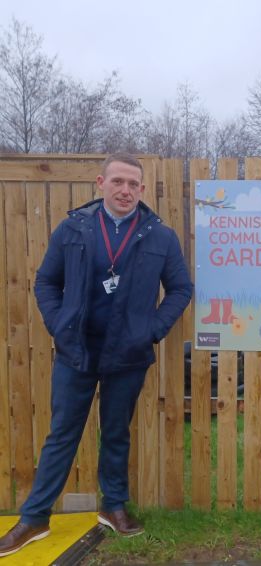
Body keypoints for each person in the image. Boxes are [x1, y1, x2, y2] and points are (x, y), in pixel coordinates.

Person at [0, 153, 193, 557]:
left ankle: (113, 506)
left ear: (142, 189)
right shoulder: (74, 228)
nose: (126, 191)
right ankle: (34, 517)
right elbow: (46, 282)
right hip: (77, 351)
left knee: (117, 431)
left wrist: (152, 331)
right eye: (119, 182)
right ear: (100, 182)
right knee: (62, 433)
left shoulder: (160, 235)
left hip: (128, 353)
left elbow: (180, 289)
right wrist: (59, 324)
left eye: (134, 184)